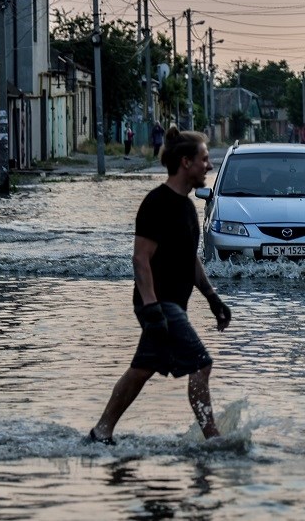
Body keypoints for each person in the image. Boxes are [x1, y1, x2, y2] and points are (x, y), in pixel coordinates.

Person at [87, 126, 232, 445]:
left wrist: (212, 298)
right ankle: (213, 439)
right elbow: (141, 259)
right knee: (201, 363)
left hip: (171, 305)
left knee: (143, 368)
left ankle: (101, 431)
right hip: (160, 304)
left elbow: (190, 258)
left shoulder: (186, 207)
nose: (208, 165)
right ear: (185, 162)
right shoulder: (157, 203)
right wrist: (152, 308)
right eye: (204, 159)